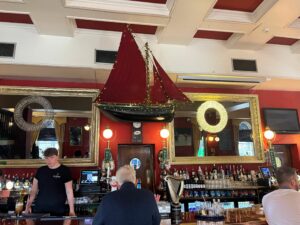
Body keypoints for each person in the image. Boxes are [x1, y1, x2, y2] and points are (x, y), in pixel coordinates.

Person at [92, 165, 160, 225]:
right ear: (136, 182)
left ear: (117, 184)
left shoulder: (107, 199)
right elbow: (156, 221)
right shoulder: (148, 196)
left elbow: (96, 223)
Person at [24, 148, 75, 216]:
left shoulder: (65, 170)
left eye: (51, 157)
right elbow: (33, 191)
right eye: (46, 158)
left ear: (57, 157)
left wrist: (72, 210)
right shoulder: (40, 170)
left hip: (58, 210)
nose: (49, 160)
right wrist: (27, 207)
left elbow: (69, 191)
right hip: (40, 209)